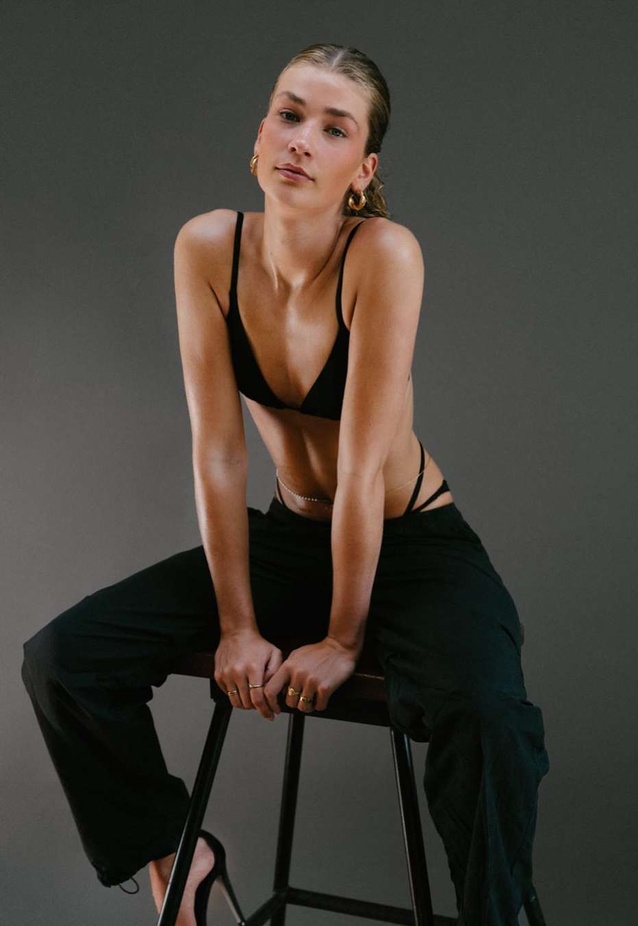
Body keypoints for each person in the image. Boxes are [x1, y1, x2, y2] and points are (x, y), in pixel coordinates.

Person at [21, 43, 550, 926]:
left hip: (412, 547)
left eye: (334, 128)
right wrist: (237, 624)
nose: (302, 139)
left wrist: (343, 639)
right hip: (293, 539)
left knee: (486, 714)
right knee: (66, 660)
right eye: (289, 114)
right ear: (260, 136)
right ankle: (179, 855)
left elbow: (361, 472)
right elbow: (219, 453)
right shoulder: (208, 247)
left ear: (363, 171)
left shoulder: (384, 254)